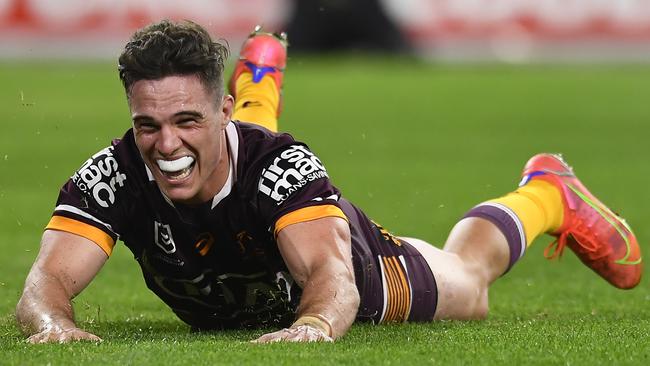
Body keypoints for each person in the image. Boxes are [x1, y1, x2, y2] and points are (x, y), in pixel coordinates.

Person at [16, 20, 642, 344]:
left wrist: (310, 328)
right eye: (147, 124)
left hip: (359, 266)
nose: (164, 143)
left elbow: (333, 282)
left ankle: (545, 193)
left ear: (217, 109)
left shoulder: (285, 170)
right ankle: (256, 94)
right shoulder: (116, 172)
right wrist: (51, 322)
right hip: (244, 156)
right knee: (217, 158)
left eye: (185, 118)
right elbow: (44, 284)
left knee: (470, 282)